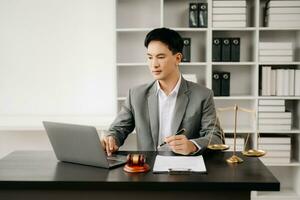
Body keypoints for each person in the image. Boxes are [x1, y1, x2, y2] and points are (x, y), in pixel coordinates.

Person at [101, 27, 223, 156]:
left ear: (178, 58)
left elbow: (215, 137)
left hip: (185, 168)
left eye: (160, 57)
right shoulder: (136, 95)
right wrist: (111, 139)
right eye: (149, 57)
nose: (154, 64)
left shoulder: (203, 95)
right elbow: (118, 129)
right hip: (148, 169)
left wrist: (192, 145)